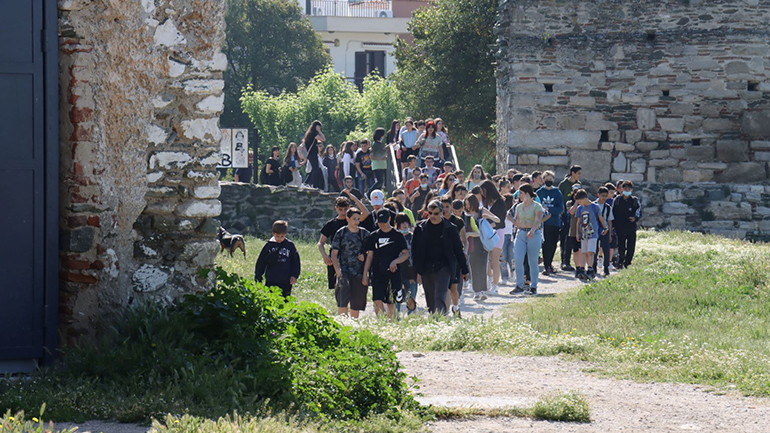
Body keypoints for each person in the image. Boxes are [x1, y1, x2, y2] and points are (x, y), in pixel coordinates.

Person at [412, 200, 469, 314]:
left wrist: (464, 270)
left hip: (444, 266)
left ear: (442, 213)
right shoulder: (420, 228)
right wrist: (417, 271)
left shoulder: (450, 228)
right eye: (430, 213)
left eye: (436, 213)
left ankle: (441, 317)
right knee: (430, 298)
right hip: (426, 267)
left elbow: (458, 250)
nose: (433, 216)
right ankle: (435, 320)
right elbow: (415, 251)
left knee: (440, 294)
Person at [363, 209, 409, 318]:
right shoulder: (373, 236)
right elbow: (369, 256)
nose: (382, 225)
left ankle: (391, 323)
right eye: (379, 222)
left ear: (389, 219)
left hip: (393, 273)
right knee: (377, 300)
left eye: (384, 222)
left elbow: (405, 254)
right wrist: (365, 274)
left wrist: (395, 261)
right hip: (377, 272)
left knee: (390, 302)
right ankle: (381, 321)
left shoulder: (397, 235)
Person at [319, 197, 369, 291]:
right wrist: (325, 256)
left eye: (345, 209)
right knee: (336, 288)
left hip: (353, 259)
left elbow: (366, 213)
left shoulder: (353, 220)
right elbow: (321, 243)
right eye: (340, 209)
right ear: (336, 208)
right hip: (336, 257)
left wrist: (354, 198)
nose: (343, 211)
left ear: (349, 207)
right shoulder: (331, 224)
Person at [330, 207, 370, 318]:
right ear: (348, 219)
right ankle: (343, 324)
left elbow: (371, 252)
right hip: (344, 271)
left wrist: (364, 256)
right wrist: (337, 271)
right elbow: (334, 253)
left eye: (358, 219)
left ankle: (353, 326)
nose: (357, 221)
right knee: (342, 301)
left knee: (356, 304)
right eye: (354, 219)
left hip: (359, 273)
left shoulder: (364, 234)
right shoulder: (341, 233)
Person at [511, 184, 544, 296]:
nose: (518, 195)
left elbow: (538, 220)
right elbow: (518, 220)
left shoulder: (537, 206)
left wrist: (532, 230)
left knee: (533, 261)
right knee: (518, 259)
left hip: (533, 234)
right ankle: (519, 285)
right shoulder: (518, 207)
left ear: (527, 194)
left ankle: (533, 286)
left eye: (520, 193)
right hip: (521, 233)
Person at [254, 220, 301, 299]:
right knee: (270, 300)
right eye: (277, 236)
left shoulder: (290, 246)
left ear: (285, 234)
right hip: (271, 279)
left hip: (286, 280)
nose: (279, 239)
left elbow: (295, 262)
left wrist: (294, 275)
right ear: (273, 233)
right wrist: (258, 276)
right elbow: (261, 262)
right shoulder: (269, 246)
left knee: (285, 301)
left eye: (282, 236)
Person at [463, 195, 498, 300]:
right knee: (473, 268)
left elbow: (497, 219)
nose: (467, 206)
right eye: (466, 204)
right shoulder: (464, 215)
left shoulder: (481, 211)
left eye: (468, 204)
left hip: (482, 243)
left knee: (483, 267)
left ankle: (483, 291)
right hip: (471, 244)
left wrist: (488, 217)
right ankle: (476, 291)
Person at [480, 180, 507, 294]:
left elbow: (501, 221)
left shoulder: (500, 202)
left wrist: (488, 226)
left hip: (497, 233)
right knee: (486, 260)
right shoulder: (484, 203)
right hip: (486, 233)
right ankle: (490, 279)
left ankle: (495, 285)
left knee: (494, 259)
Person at [441, 195, 466, 316]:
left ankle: (456, 308)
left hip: (455, 259)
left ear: (451, 206)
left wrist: (464, 253)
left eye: (447, 206)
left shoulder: (458, 221)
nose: (445, 209)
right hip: (441, 259)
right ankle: (445, 312)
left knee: (453, 289)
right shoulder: (437, 221)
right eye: (443, 207)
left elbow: (464, 240)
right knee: (444, 288)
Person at [575, 189, 608, 280]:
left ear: (585, 198)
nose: (580, 203)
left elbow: (600, 218)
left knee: (590, 252)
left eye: (580, 201)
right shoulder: (580, 208)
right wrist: (577, 233)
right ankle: (582, 269)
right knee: (584, 252)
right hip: (583, 234)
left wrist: (605, 228)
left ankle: (590, 269)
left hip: (593, 234)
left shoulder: (595, 207)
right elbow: (578, 221)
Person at [537, 171, 564, 275]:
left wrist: (548, 210)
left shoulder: (557, 192)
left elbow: (560, 208)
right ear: (543, 180)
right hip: (543, 223)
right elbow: (538, 207)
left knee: (553, 244)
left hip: (555, 222)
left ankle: (550, 263)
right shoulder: (539, 192)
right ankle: (546, 265)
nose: (549, 181)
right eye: (547, 179)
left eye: (550, 179)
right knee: (545, 244)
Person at [613, 180, 642, 269]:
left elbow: (639, 212)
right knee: (621, 246)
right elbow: (613, 213)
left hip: (631, 227)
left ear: (631, 190)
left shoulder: (635, 201)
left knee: (631, 246)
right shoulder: (617, 200)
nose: (627, 190)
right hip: (620, 227)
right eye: (625, 188)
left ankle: (628, 263)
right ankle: (620, 261)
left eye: (628, 188)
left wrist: (635, 218)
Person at [558, 165, 582, 271]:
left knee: (574, 239)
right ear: (573, 173)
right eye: (578, 173)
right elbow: (560, 198)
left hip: (577, 216)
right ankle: (564, 261)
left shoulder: (579, 184)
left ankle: (576, 262)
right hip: (565, 214)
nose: (580, 176)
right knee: (565, 239)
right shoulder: (563, 184)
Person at [394, 213, 418, 314]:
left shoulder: (413, 237)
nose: (404, 224)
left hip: (411, 270)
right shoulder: (394, 237)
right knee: (397, 296)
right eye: (402, 222)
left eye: (406, 222)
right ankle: (395, 317)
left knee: (411, 296)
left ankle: (411, 317)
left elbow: (417, 254)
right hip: (397, 270)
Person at [594, 187, 614, 277]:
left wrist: (609, 233)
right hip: (595, 230)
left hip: (605, 230)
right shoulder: (593, 205)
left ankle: (606, 267)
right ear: (598, 195)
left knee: (606, 249)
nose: (604, 198)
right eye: (602, 196)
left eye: (606, 196)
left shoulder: (608, 207)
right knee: (594, 249)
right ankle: (593, 267)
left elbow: (609, 220)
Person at [303, 120, 325, 189]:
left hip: (312, 154)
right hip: (312, 154)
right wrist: (319, 131)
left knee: (314, 169)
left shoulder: (310, 133)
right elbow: (323, 139)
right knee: (315, 169)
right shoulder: (313, 134)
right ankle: (313, 184)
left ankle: (307, 182)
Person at [369, 128, 388, 196]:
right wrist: (381, 158)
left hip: (383, 165)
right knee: (380, 181)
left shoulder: (381, 143)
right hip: (377, 165)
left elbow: (382, 151)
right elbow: (371, 156)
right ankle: (369, 193)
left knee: (381, 183)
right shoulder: (375, 144)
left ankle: (378, 195)